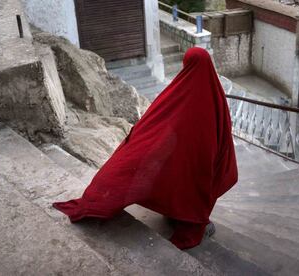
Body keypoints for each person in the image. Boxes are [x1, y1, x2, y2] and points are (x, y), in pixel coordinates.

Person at [53, 47, 238, 250]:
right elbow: (223, 132)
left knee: (175, 173)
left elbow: (155, 120)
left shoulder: (177, 90)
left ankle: (178, 213)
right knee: (192, 181)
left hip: (183, 157)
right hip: (202, 163)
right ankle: (190, 218)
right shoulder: (216, 96)